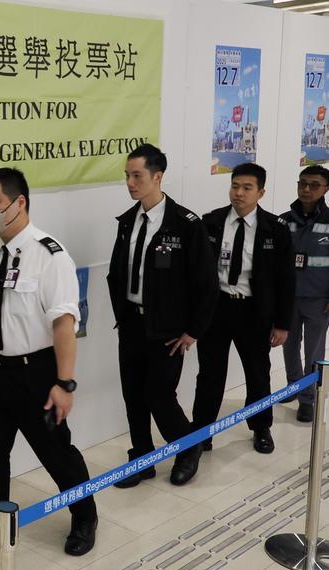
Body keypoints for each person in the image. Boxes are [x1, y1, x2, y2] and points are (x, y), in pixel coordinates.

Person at [0, 167, 98, 557]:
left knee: (56, 453)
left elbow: (63, 323)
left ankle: (84, 515)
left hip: (36, 374)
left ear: (19, 202)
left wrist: (65, 384)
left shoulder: (49, 255)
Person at [107, 144, 218, 488]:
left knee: (159, 395)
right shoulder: (128, 221)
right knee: (133, 394)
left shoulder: (185, 225)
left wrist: (193, 331)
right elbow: (118, 272)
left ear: (158, 176)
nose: (130, 182)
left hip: (167, 329)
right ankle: (142, 456)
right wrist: (123, 315)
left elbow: (206, 284)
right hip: (132, 324)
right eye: (127, 175)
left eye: (137, 175)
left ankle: (187, 448)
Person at [192, 163, 294, 453]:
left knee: (257, 372)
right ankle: (202, 433)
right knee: (210, 374)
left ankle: (261, 427)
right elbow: (197, 272)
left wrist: (282, 323)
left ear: (261, 192)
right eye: (235, 186)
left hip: (254, 311)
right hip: (217, 309)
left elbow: (286, 280)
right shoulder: (210, 223)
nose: (239, 193)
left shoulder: (275, 229)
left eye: (247, 188)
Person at [279, 165, 329, 423]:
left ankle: (308, 398)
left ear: (325, 189)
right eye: (303, 183)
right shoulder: (283, 221)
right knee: (289, 344)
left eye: (314, 185)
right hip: (289, 298)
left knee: (314, 350)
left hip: (319, 299)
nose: (306, 189)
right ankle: (293, 386)